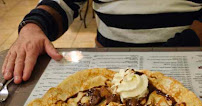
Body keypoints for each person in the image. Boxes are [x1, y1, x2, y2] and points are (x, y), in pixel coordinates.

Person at [2, 0, 202, 84]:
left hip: (186, 58)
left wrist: (185, 44)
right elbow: (64, 3)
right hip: (112, 63)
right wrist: (34, 25)